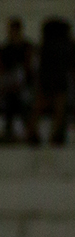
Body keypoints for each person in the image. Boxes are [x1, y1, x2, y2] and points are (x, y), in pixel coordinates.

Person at [28, 17, 72, 146]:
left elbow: (37, 65)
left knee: (39, 107)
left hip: (46, 79)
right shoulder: (66, 46)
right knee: (58, 108)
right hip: (58, 79)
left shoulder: (44, 46)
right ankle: (56, 134)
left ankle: (33, 132)